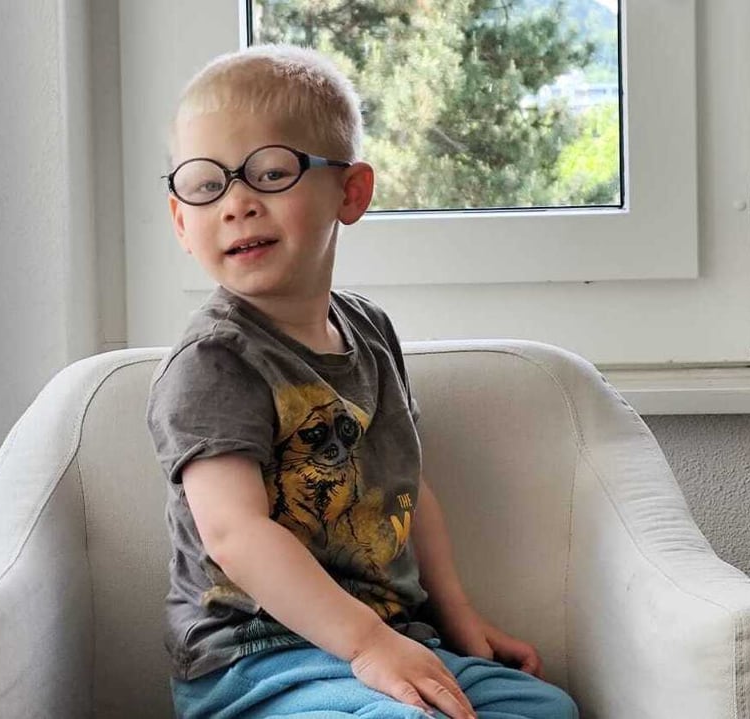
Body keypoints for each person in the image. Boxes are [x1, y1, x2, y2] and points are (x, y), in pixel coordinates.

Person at [146, 44, 579, 719]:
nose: (237, 204)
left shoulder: (371, 332)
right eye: (206, 185)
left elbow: (410, 491)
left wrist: (458, 618)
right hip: (256, 659)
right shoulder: (216, 361)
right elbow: (234, 534)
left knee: (544, 707)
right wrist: (367, 643)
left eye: (270, 173)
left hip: (389, 639)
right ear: (181, 219)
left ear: (350, 192)